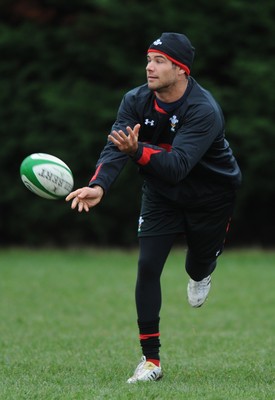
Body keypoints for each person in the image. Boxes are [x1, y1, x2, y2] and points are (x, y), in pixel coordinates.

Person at [66, 32, 242, 383]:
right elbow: (116, 146)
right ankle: (151, 361)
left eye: (160, 61)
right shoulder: (135, 100)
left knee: (198, 265)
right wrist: (99, 184)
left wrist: (137, 151)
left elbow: (177, 166)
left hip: (211, 196)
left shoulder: (203, 109)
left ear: (181, 70)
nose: (150, 67)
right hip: (161, 194)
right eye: (149, 59)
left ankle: (204, 268)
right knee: (148, 266)